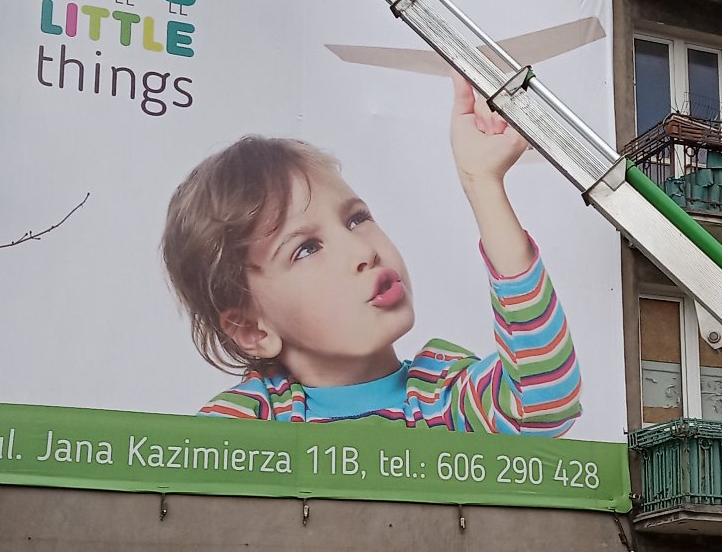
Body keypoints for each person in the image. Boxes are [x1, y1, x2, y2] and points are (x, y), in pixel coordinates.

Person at [161, 75, 583, 434]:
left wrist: (483, 182)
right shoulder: (248, 423)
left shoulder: (441, 396)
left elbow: (546, 400)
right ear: (253, 329)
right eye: (306, 248)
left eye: (356, 219)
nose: (362, 251)